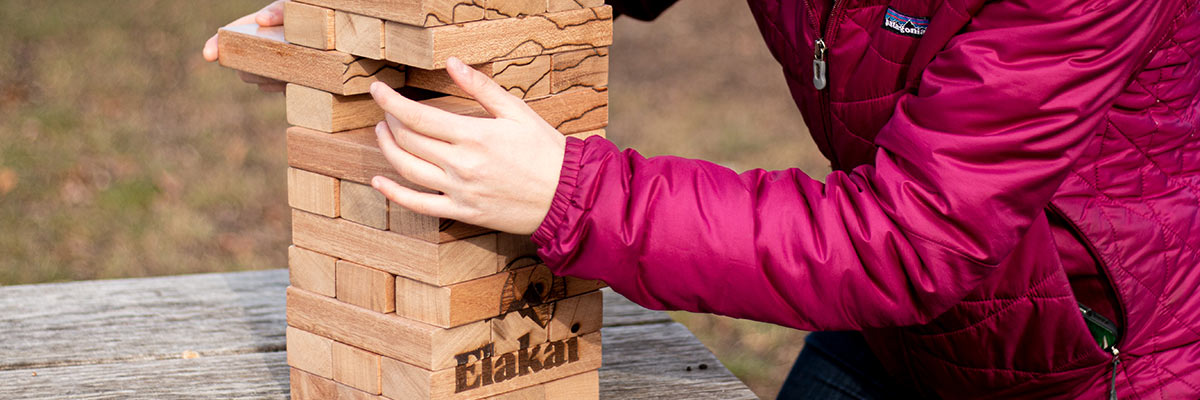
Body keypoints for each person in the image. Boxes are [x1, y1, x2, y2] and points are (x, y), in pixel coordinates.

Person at [204, 0, 1200, 398]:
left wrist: (572, 193)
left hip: (1086, 370)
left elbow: (913, 241)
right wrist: (404, 12)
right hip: (895, 338)